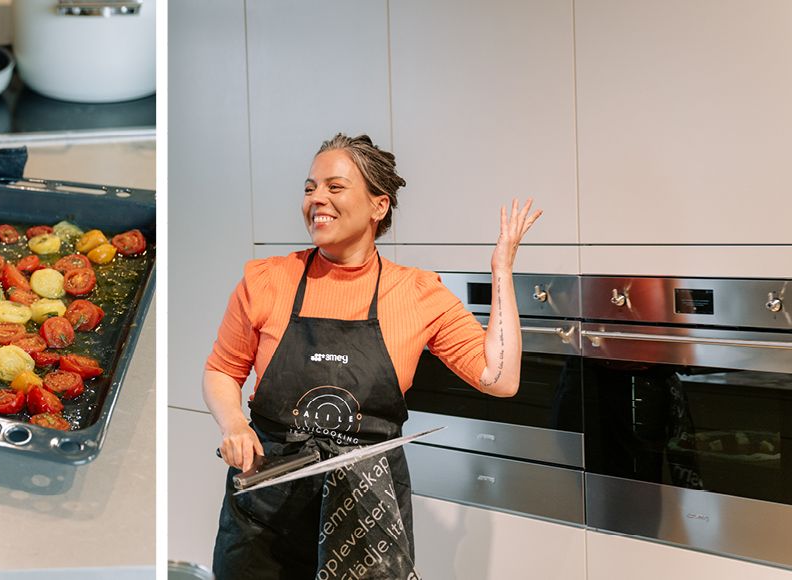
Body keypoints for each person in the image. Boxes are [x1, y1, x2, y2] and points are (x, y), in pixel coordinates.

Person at [202, 134, 541, 578]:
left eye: (334, 187)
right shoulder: (267, 280)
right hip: (265, 509)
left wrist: (501, 271)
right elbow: (221, 370)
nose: (316, 199)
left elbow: (500, 378)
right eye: (309, 188)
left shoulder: (417, 292)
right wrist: (234, 424)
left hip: (366, 514)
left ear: (378, 206)